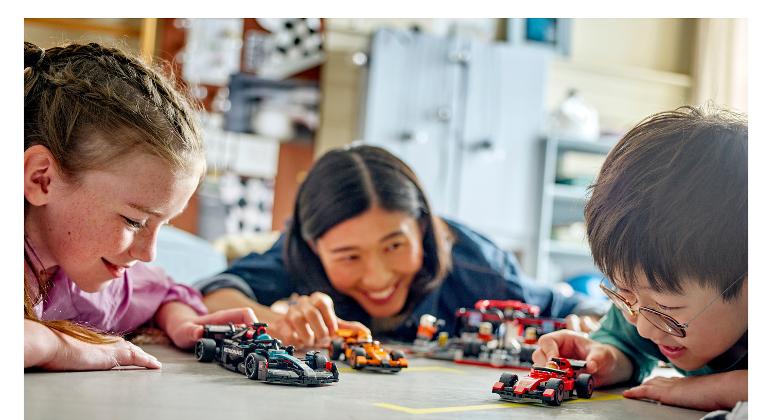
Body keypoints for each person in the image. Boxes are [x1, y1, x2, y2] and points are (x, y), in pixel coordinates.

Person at [200, 145, 604, 349]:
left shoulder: (476, 264)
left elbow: (568, 307)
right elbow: (216, 294)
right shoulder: (298, 257)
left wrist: (590, 324)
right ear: (314, 248)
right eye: (349, 257)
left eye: (394, 245)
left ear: (423, 228)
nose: (377, 277)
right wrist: (278, 321)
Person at [24, 41, 256, 371]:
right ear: (42, 179)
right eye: (134, 221)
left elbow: (161, 291)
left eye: (165, 223)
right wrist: (56, 345)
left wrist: (180, 321)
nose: (149, 253)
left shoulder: (83, 281)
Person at [533, 105, 747, 411]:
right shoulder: (645, 309)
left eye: (667, 309)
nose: (644, 328)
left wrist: (715, 389)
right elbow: (630, 345)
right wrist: (607, 358)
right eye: (625, 294)